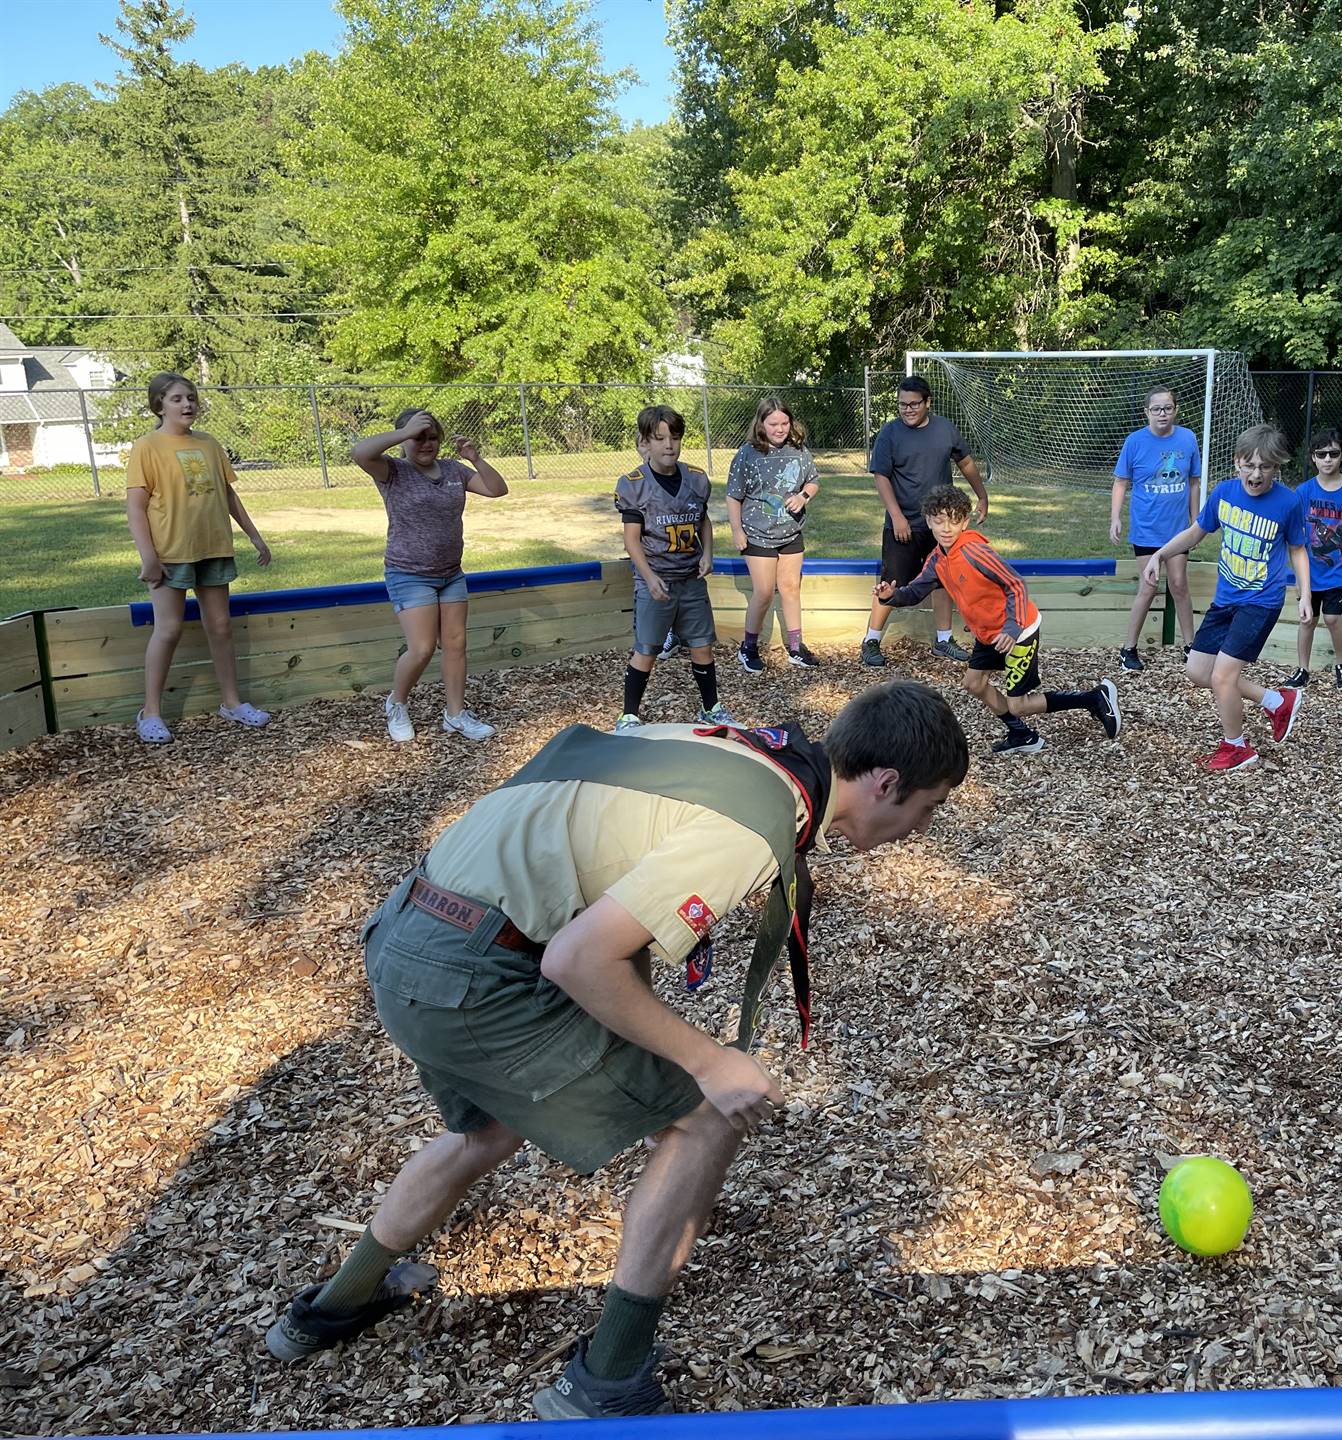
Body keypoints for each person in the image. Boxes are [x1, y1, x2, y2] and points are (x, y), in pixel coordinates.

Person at [263, 681, 972, 1414]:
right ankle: (608, 1379)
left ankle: (330, 1307)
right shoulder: (755, 826)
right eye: (929, 808)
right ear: (886, 783)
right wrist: (708, 1060)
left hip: (408, 937)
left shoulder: (734, 749)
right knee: (708, 1114)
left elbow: (594, 868)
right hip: (477, 975)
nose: (921, 828)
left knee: (488, 1128)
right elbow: (578, 959)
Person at [875, 485, 1121, 754]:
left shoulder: (973, 552)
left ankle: (1094, 698)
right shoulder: (937, 559)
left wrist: (1012, 628)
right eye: (940, 521)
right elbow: (915, 591)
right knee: (973, 683)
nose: (947, 528)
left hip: (1018, 629)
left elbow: (1015, 583)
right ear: (929, 521)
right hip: (989, 632)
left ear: (965, 522)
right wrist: (891, 596)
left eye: (954, 520)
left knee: (1020, 704)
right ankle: (1022, 735)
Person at [1142, 423, 1309, 772]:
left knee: (1222, 676)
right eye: (1249, 465)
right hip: (1227, 598)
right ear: (1237, 463)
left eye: (1265, 466)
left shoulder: (1288, 503)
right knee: (1198, 670)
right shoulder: (1223, 494)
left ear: (1276, 467)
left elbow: (1298, 550)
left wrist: (1304, 596)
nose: (1256, 473)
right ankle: (1276, 701)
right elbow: (1194, 533)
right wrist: (1159, 554)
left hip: (1261, 602)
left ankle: (1237, 748)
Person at [124, 372, 273, 743]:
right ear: (159, 404)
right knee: (169, 629)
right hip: (171, 553)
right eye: (176, 399)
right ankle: (150, 712)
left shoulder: (209, 444)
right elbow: (136, 508)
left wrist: (254, 536)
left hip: (214, 547)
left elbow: (227, 496)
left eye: (190, 397)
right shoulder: (147, 447)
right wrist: (149, 557)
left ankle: (232, 703)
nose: (187, 404)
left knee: (220, 626)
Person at [351, 408, 510, 743]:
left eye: (432, 437)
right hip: (409, 573)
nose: (426, 444)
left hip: (450, 573)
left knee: (455, 645)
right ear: (404, 440)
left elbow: (497, 490)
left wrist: (475, 458)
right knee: (421, 649)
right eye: (417, 438)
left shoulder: (454, 470)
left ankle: (455, 715)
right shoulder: (393, 471)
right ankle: (396, 703)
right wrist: (405, 431)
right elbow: (359, 452)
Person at [860, 376, 990, 667]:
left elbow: (966, 462)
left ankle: (943, 640)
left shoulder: (945, 429)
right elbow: (881, 476)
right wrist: (896, 517)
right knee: (891, 581)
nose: (907, 410)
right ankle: (871, 640)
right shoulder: (890, 434)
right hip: (902, 524)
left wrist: (982, 495)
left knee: (944, 580)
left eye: (913, 404)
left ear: (928, 402)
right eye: (902, 405)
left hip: (940, 524)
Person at [615, 405, 730, 731]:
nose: (669, 445)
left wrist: (707, 552)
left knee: (702, 646)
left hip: (690, 578)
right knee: (647, 649)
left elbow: (703, 520)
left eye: (675, 437)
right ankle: (629, 714)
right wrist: (649, 577)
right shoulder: (634, 485)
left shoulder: (695, 479)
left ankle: (711, 708)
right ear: (645, 443)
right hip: (656, 579)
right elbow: (632, 540)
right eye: (660, 438)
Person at [726, 395, 821, 673]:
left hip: (791, 532)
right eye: (773, 424)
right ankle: (749, 647)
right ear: (761, 424)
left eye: (784, 423)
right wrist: (736, 530)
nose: (780, 429)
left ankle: (795, 647)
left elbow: (813, 481)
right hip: (757, 534)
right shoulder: (747, 454)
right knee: (765, 592)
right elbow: (734, 495)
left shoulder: (799, 451)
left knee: (791, 588)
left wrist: (804, 496)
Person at [1110, 386, 1201, 670]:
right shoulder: (1135, 442)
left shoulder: (1187, 438)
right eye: (1156, 409)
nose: (1162, 414)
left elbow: (1194, 482)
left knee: (1178, 584)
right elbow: (1121, 482)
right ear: (1146, 412)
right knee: (1148, 587)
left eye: (1168, 408)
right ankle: (1128, 650)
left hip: (1176, 530)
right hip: (1146, 529)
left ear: (1175, 409)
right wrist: (1115, 517)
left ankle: (1190, 647)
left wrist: (1196, 521)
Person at [1282, 426, 1342, 692]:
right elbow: (1295, 539)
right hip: (1310, 571)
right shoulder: (1304, 491)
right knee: (1307, 620)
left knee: (1332, 619)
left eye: (1334, 453)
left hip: (1339, 569)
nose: (1328, 459)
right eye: (1321, 454)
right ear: (1313, 458)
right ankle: (1302, 669)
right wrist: (1300, 579)